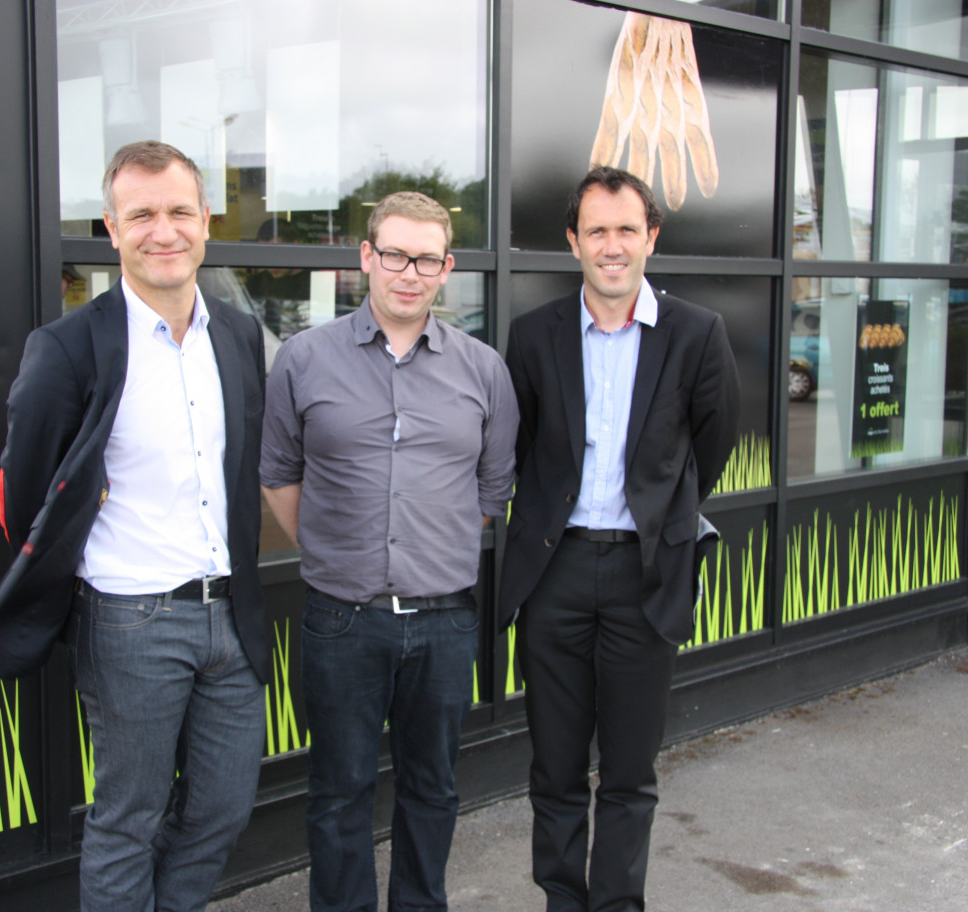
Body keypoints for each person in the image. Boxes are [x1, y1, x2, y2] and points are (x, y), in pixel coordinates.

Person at [0, 141, 270, 912]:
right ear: (112, 227)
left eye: (178, 211)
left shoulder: (236, 336)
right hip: (132, 618)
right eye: (141, 214)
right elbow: (28, 493)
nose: (161, 230)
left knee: (223, 808)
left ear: (206, 221)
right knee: (128, 820)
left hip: (231, 616)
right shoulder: (69, 347)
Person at [260, 191, 519, 912]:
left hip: (445, 621)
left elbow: (491, 487)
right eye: (395, 255)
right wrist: (334, 544)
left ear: (447, 269)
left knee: (432, 787)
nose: (409, 272)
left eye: (426, 259)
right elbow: (280, 474)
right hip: (342, 619)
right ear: (367, 258)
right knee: (338, 791)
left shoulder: (483, 370)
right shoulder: (304, 360)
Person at [499, 166, 740, 912]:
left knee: (632, 774)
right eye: (596, 230)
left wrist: (663, 513)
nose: (612, 245)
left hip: (645, 573)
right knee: (557, 769)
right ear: (574, 240)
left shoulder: (697, 332)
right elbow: (525, 444)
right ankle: (563, 902)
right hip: (558, 573)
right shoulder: (533, 335)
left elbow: (714, 438)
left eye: (626, 230)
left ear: (650, 238)